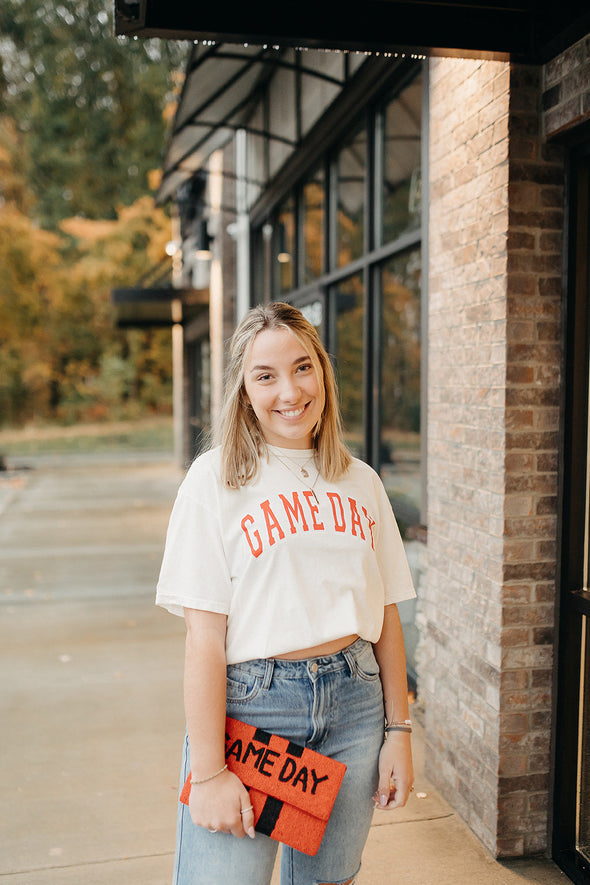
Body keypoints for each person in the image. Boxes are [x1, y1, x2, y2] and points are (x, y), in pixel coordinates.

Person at [156, 302, 416, 885]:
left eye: (302, 368)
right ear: (243, 391)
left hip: (355, 709)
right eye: (265, 376)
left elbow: (387, 615)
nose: (289, 391)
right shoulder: (215, 479)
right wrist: (208, 771)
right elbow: (204, 638)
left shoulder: (361, 480)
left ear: (323, 372)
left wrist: (399, 733)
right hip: (256, 711)